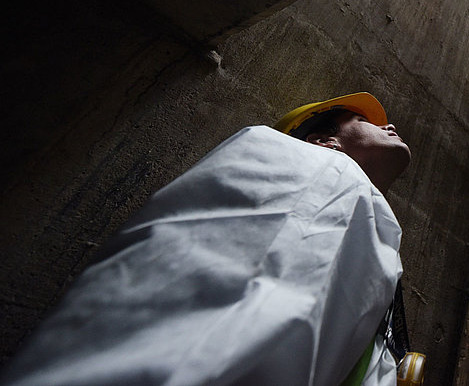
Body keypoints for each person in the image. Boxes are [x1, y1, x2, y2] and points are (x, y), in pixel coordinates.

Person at [0, 92, 411, 386]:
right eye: (367, 123)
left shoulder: (374, 228)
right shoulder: (304, 165)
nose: (388, 126)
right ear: (323, 140)